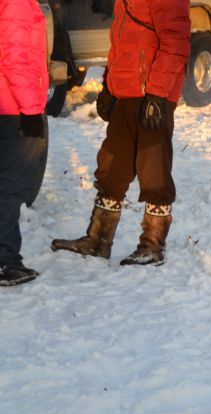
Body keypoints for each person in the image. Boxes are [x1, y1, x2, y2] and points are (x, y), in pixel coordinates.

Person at [50, 0, 190, 267]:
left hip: (152, 94)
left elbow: (176, 42)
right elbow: (121, 44)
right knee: (112, 167)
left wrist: (158, 94)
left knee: (154, 171)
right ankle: (98, 240)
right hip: (125, 92)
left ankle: (152, 246)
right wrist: (108, 86)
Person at [0, 0, 48, 287]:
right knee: (11, 185)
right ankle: (4, 261)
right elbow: (15, 58)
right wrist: (30, 110)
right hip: (13, 108)